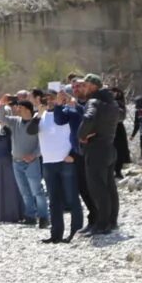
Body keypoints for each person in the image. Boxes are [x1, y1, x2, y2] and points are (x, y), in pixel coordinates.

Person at [74, 76, 123, 236]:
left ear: (94, 86)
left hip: (95, 149)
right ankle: (112, 221)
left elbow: (88, 117)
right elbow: (121, 116)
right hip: (109, 147)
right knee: (109, 187)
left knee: (98, 189)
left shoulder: (94, 102)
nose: (84, 88)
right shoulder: (112, 103)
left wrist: (81, 135)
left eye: (86, 85)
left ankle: (102, 225)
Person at [37, 88, 84, 243]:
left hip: (65, 161)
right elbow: (30, 131)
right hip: (48, 163)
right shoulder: (41, 116)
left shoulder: (68, 113)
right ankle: (56, 234)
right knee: (54, 201)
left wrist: (73, 154)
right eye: (46, 98)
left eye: (52, 97)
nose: (49, 100)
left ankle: (75, 232)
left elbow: (78, 134)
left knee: (72, 199)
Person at [5, 96, 46, 222]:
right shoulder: (15, 121)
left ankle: (44, 217)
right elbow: (0, 118)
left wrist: (34, 155)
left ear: (28, 110)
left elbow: (43, 142)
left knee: (37, 191)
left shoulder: (38, 122)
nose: (17, 108)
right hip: (16, 161)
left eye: (20, 107)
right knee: (24, 191)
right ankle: (30, 216)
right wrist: (2, 105)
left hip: (32, 161)